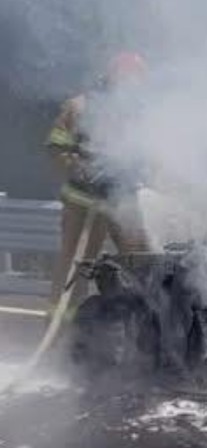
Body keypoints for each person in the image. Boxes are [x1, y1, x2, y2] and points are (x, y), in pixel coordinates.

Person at [45, 51, 153, 310]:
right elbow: (56, 145)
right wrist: (79, 168)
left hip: (121, 198)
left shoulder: (140, 113)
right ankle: (62, 325)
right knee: (77, 265)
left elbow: (150, 156)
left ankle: (143, 321)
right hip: (84, 200)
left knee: (142, 260)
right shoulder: (80, 107)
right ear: (113, 78)